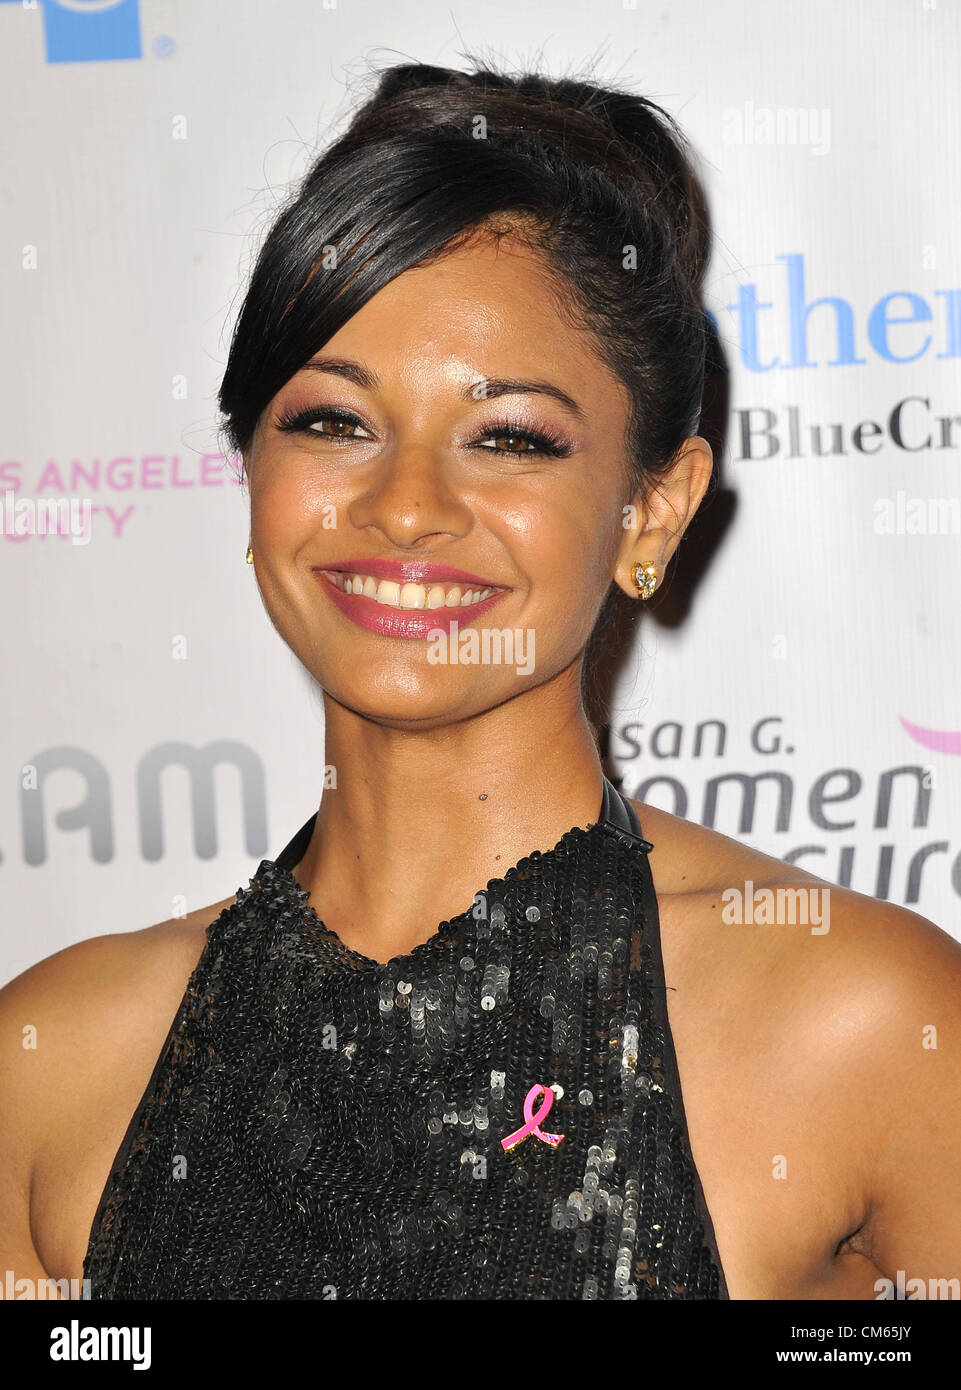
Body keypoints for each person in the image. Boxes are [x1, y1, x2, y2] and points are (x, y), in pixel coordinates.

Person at [2, 58, 959, 1302]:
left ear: (649, 512)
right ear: (250, 469)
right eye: (332, 421)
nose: (403, 508)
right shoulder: (57, 1057)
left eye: (508, 436)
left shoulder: (866, 1021)